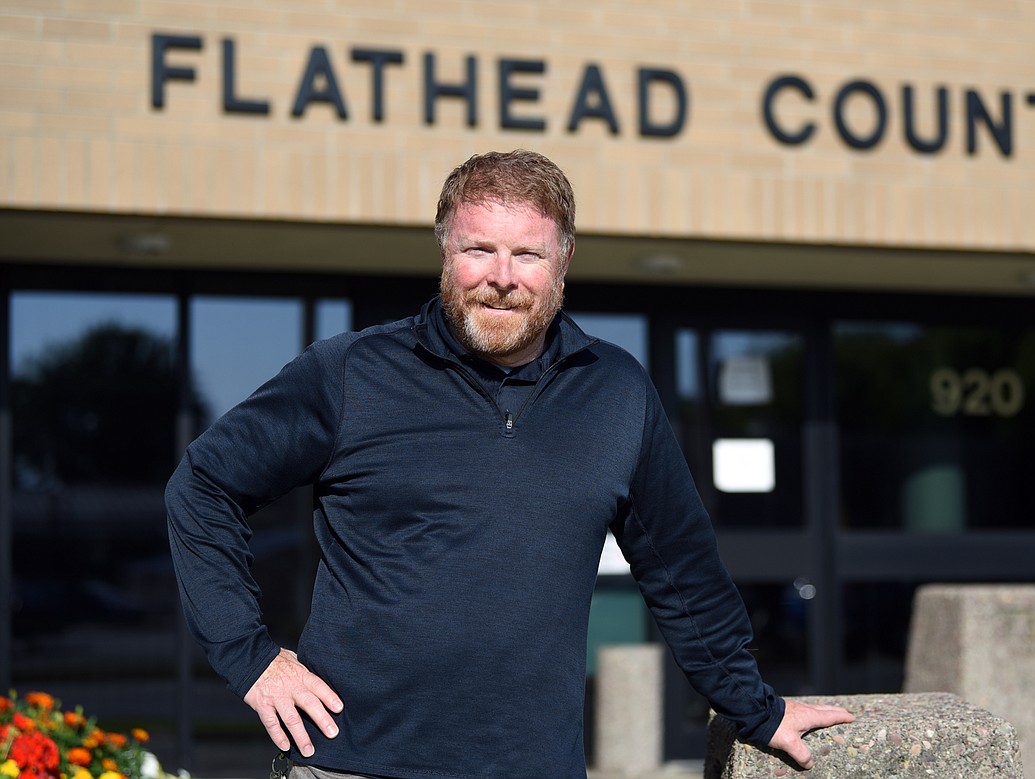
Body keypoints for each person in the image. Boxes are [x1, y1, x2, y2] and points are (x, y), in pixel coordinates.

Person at [165, 149, 853, 779]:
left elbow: (682, 568)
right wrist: (251, 657)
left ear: (564, 260)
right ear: (445, 250)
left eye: (527, 253)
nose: (501, 277)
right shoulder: (352, 373)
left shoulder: (614, 392)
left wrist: (757, 708)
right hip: (349, 763)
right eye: (478, 249)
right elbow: (201, 487)